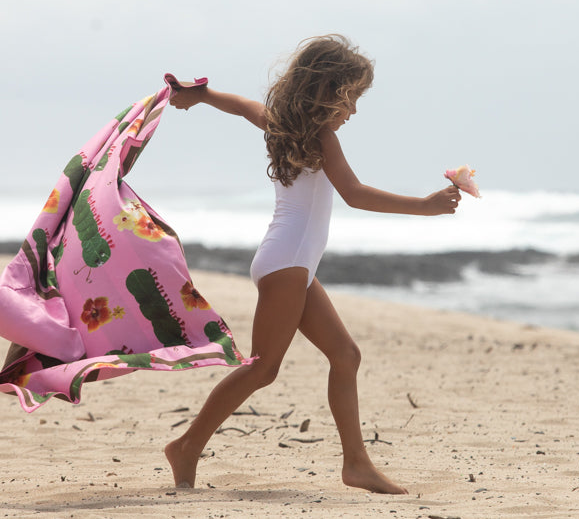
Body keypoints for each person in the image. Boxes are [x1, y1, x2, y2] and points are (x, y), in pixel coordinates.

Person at [164, 34, 461, 494]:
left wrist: (200, 95)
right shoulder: (320, 136)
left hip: (292, 263)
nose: (354, 111)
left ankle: (356, 464)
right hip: (287, 264)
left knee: (345, 355)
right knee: (263, 367)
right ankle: (186, 446)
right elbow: (355, 195)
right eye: (352, 98)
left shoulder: (282, 124)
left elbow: (243, 105)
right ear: (329, 92)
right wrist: (424, 206)